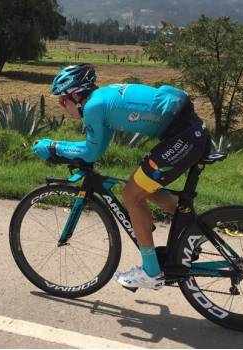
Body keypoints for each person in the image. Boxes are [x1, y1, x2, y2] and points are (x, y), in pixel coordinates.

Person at [32, 64, 211, 290]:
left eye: (62, 99)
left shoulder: (94, 107)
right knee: (141, 187)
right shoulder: (101, 100)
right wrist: (60, 148)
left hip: (185, 136)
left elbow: (90, 152)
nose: (61, 104)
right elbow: (94, 150)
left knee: (131, 195)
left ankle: (151, 272)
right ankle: (197, 231)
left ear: (76, 95)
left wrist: (54, 146)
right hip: (190, 131)